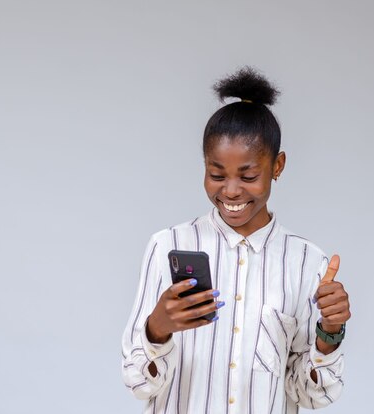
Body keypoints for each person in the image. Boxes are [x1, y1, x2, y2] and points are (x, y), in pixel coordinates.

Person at [121, 67, 351, 413]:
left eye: (248, 175)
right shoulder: (166, 245)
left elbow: (312, 396)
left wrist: (329, 333)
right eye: (216, 174)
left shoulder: (307, 263)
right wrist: (158, 328)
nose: (230, 190)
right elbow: (138, 382)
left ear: (277, 166)